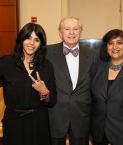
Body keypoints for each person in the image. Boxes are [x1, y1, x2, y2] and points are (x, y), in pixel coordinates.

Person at [0, 22, 57, 145]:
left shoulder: (46, 66)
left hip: (38, 122)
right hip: (14, 122)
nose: (31, 43)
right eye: (28, 38)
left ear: (41, 44)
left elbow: (53, 101)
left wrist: (45, 92)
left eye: (36, 40)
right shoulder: (6, 63)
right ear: (21, 39)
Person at [47, 17, 98, 145]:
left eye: (75, 29)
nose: (71, 32)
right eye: (67, 29)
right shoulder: (47, 52)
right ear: (60, 32)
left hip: (82, 115)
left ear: (81, 32)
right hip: (55, 115)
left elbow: (97, 85)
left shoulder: (93, 55)